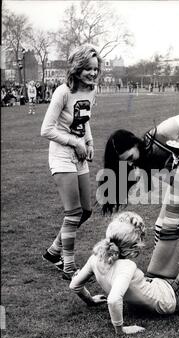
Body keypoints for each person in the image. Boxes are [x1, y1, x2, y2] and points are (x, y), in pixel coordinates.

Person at [100, 110, 179, 296]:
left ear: (136, 143)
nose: (129, 165)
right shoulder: (142, 163)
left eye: (129, 158)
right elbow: (177, 181)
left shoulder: (161, 134)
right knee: (162, 225)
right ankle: (164, 274)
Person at [41, 44, 101, 280]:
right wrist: (73, 143)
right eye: (88, 69)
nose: (93, 73)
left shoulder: (91, 90)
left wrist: (89, 143)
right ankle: (68, 267)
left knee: (85, 211)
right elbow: (46, 129)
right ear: (77, 68)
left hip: (79, 154)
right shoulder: (62, 92)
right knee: (74, 212)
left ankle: (54, 251)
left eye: (96, 69)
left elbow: (84, 120)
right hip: (61, 154)